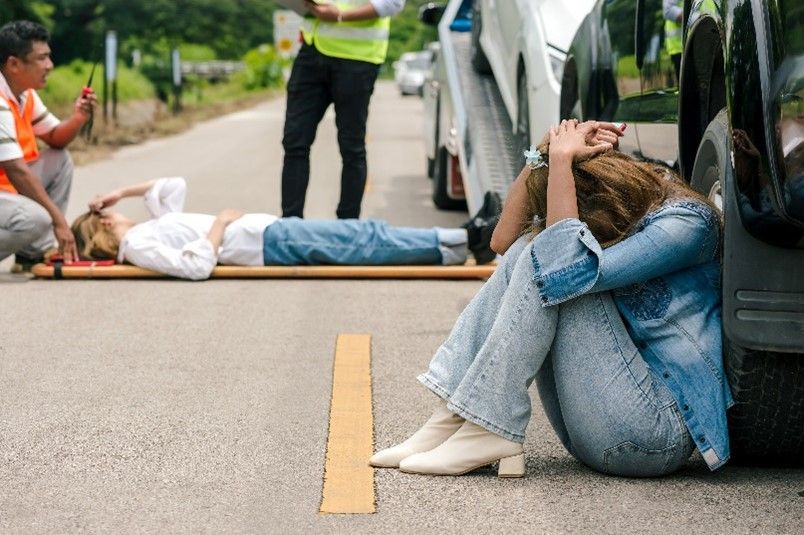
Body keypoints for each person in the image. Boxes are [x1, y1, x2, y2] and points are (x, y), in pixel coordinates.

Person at [370, 120, 733, 478]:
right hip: (598, 420)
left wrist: (561, 165)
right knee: (528, 251)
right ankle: (455, 415)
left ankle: (489, 426)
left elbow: (562, 267)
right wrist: (543, 155)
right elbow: (501, 242)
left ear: (609, 200)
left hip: (652, 434)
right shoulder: (629, 203)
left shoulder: (687, 225)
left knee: (556, 266)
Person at [71, 177, 500, 280]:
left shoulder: (146, 229)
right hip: (266, 241)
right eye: (110, 211)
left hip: (267, 232)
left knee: (363, 238)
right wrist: (219, 225)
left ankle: (462, 240)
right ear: (105, 225)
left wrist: (119, 192)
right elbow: (195, 266)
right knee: (365, 240)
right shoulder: (139, 243)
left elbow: (172, 185)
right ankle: (465, 238)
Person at [281, 0, 406, 220]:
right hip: (312, 50)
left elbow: (392, 3)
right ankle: (290, 225)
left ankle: (347, 226)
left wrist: (340, 16)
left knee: (351, 147)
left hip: (357, 60)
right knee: (294, 142)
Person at [0, 20, 97, 270]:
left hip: (8, 192)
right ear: (14, 64)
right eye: (42, 59)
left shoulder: (24, 93)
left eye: (49, 57)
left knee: (60, 159)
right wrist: (59, 222)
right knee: (37, 219)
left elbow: (56, 137)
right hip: (8, 187)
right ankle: (38, 239)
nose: (49, 66)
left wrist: (79, 117)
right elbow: (17, 171)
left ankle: (30, 254)